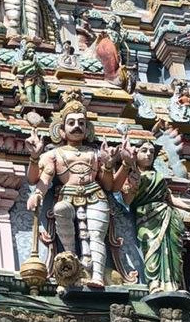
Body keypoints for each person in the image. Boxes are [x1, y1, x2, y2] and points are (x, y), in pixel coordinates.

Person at [26, 98, 127, 288]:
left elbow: (109, 185)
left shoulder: (95, 153)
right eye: (71, 123)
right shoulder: (54, 154)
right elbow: (42, 179)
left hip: (95, 196)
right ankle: (71, 264)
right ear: (61, 130)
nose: (76, 127)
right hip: (68, 195)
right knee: (61, 209)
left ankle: (97, 275)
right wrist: (37, 191)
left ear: (87, 129)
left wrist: (108, 164)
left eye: (81, 123)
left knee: (96, 235)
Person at [121, 141, 190, 294]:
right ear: (136, 154)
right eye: (144, 150)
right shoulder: (131, 176)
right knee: (150, 249)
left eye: (151, 151)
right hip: (145, 218)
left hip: (166, 216)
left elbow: (169, 198)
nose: (148, 154)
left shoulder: (158, 175)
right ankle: (153, 283)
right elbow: (127, 201)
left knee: (172, 251)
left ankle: (172, 284)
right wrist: (133, 186)